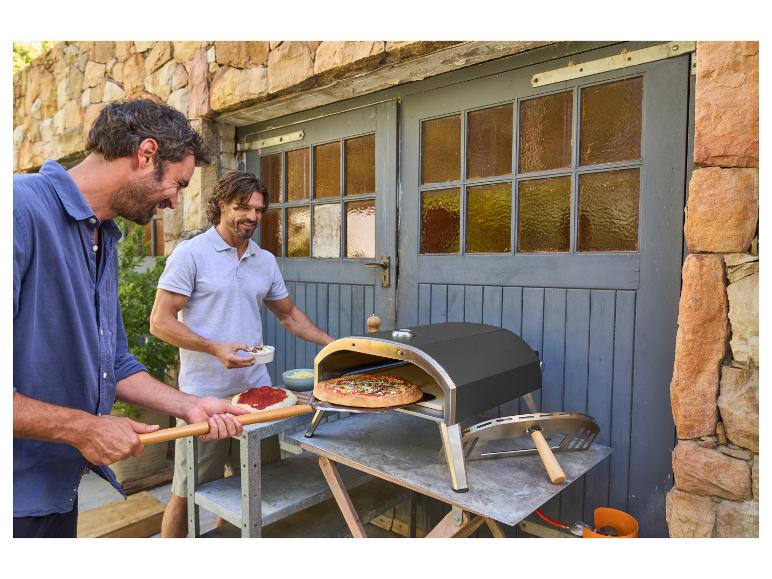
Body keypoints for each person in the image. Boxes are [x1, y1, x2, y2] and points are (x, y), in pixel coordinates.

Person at [12, 99, 249, 538]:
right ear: (146, 154)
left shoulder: (102, 236)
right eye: (178, 183)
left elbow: (114, 363)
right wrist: (84, 427)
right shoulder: (17, 209)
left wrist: (189, 406)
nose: (175, 201)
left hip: (56, 488)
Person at [150, 170, 334, 537]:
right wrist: (213, 347)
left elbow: (289, 315)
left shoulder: (264, 260)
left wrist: (335, 346)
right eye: (243, 207)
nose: (252, 216)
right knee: (187, 493)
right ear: (220, 205)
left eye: (259, 210)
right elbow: (160, 322)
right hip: (203, 398)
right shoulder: (192, 254)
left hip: (257, 396)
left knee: (250, 491)